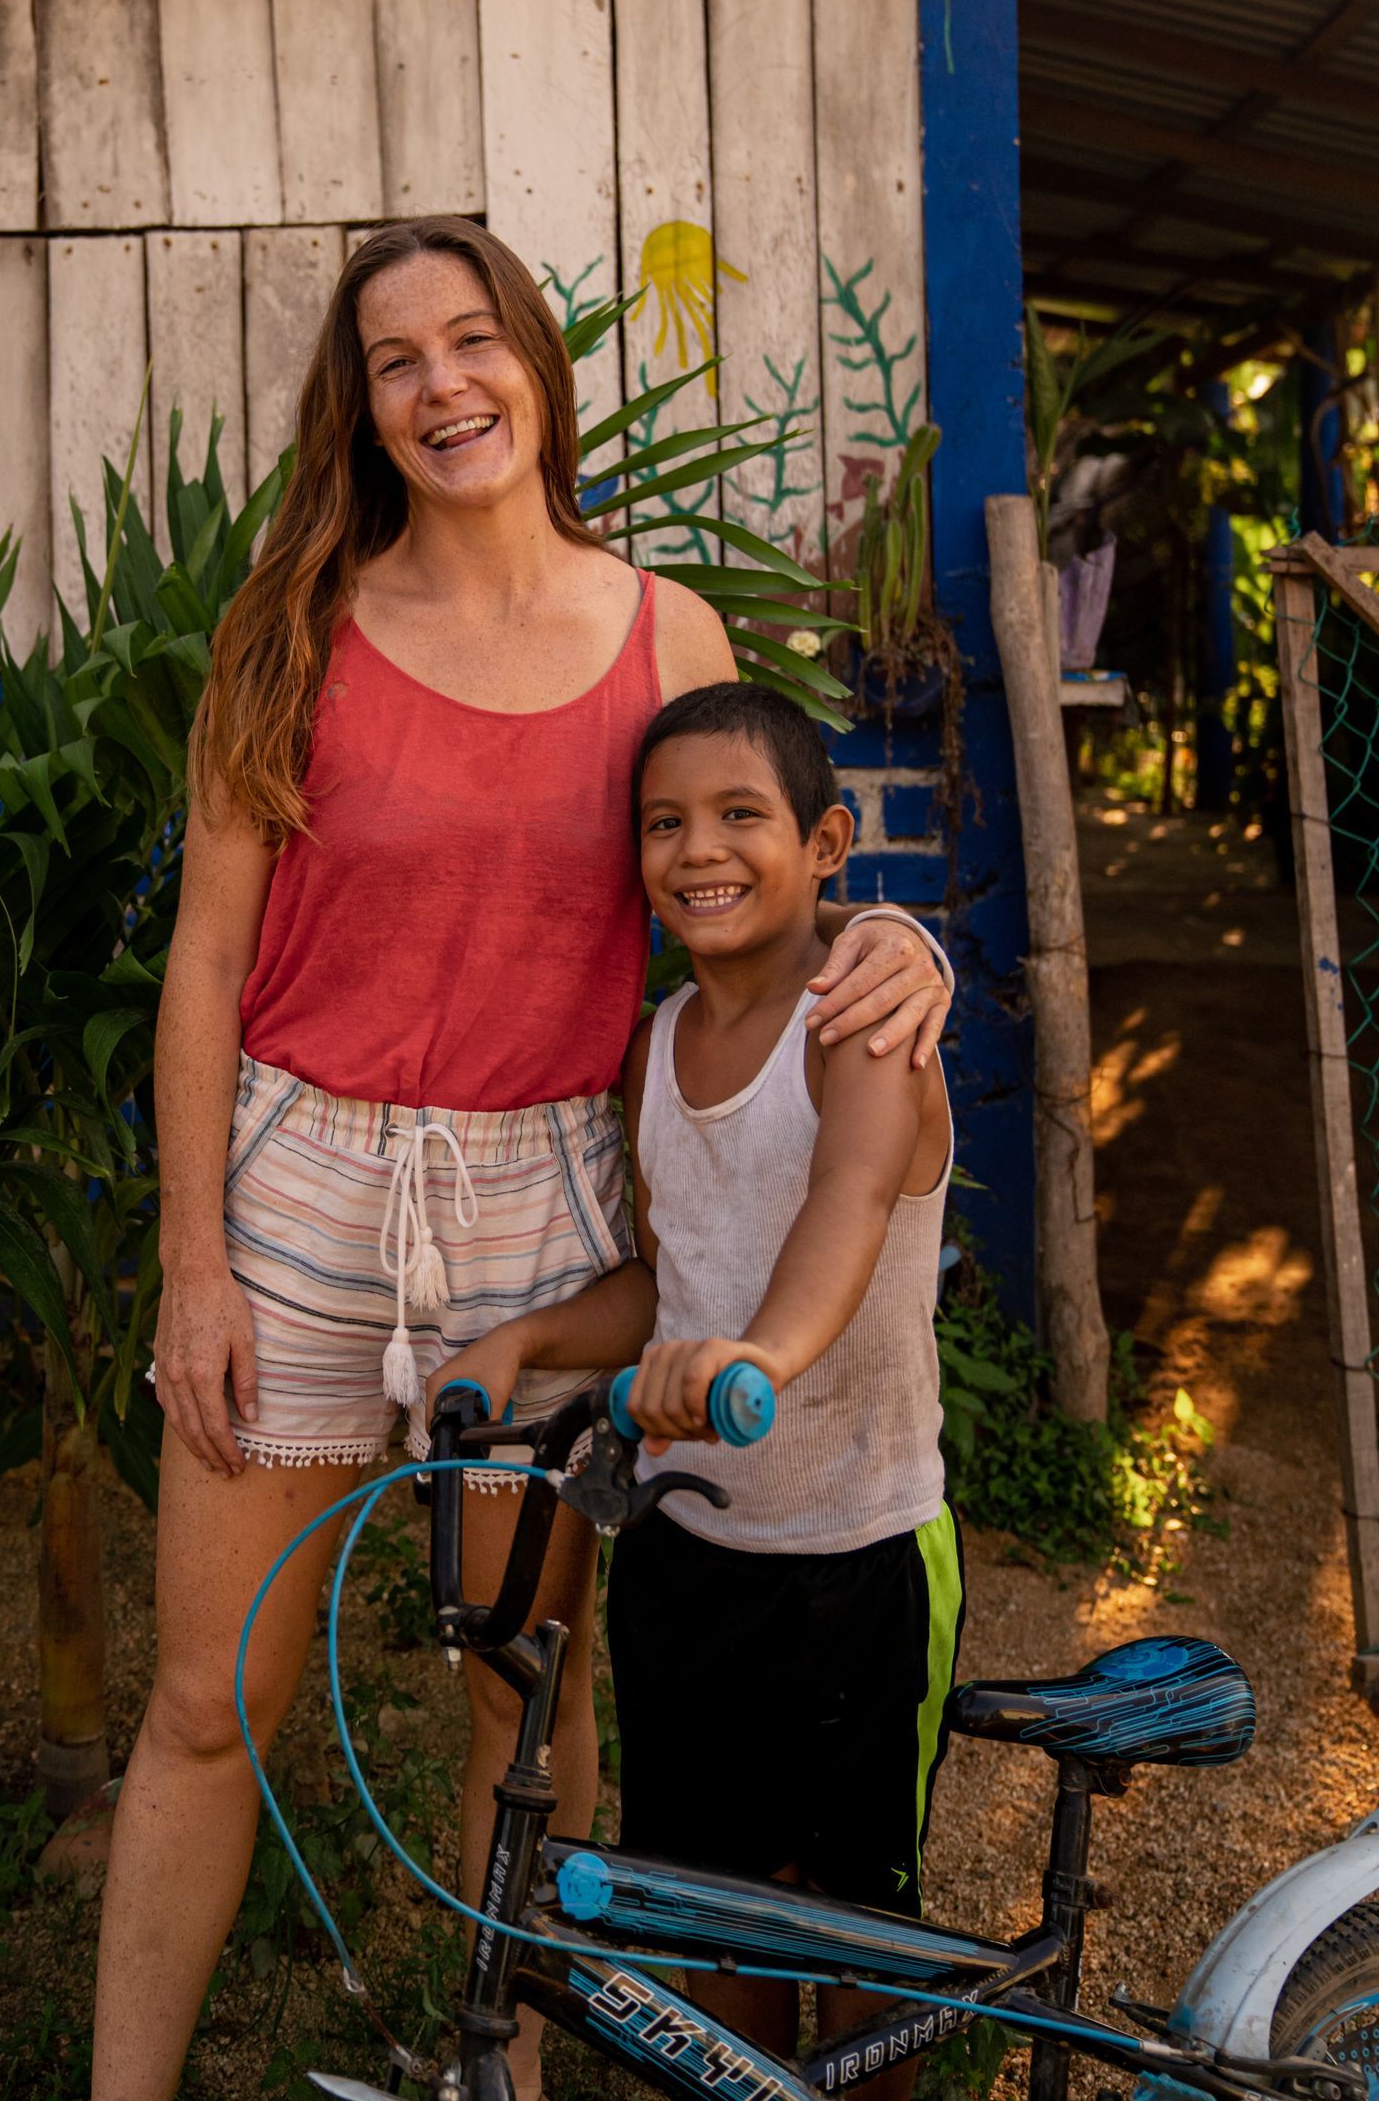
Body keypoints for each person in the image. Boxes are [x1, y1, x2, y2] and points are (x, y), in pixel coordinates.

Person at [90, 218, 954, 2101]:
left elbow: (751, 884)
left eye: (471, 343)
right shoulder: (290, 626)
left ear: (536, 372)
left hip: (545, 1204)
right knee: (204, 1700)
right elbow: (206, 967)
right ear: (364, 404)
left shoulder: (665, 634)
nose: (439, 386)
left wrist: (909, 943)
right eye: (396, 359)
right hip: (300, 1197)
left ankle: (500, 2086)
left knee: (520, 1702)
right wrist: (194, 1265)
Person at [431, 679, 959, 2082]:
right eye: (663, 824)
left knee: (858, 1941)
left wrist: (758, 1360)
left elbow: (841, 1213)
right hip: (688, 1553)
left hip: (857, 1554)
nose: (697, 850)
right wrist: (529, 1341)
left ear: (829, 843)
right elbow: (674, 1279)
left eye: (740, 816)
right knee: (712, 1922)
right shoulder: (657, 1049)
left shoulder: (863, 1023)